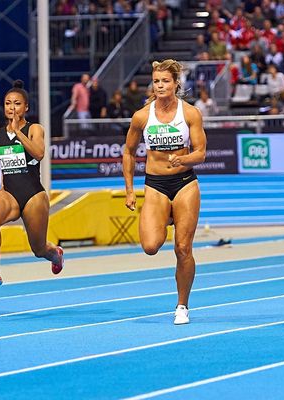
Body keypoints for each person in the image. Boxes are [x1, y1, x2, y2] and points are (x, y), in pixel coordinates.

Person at [123, 59, 207, 325]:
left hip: (184, 183)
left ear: (175, 84)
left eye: (165, 81)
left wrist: (184, 160)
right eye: (156, 81)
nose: (160, 86)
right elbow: (128, 152)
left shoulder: (190, 113)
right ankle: (165, 215)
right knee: (150, 246)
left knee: (183, 248)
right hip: (155, 185)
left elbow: (201, 152)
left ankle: (182, 305)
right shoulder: (142, 116)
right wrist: (129, 190)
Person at [0, 80, 64, 286]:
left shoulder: (34, 129)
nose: (12, 108)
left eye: (17, 104)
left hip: (33, 196)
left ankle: (55, 253)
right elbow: (6, 160)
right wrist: (3, 184)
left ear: (26, 107)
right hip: (10, 193)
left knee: (38, 250)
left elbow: (39, 154)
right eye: (8, 103)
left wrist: (18, 132)